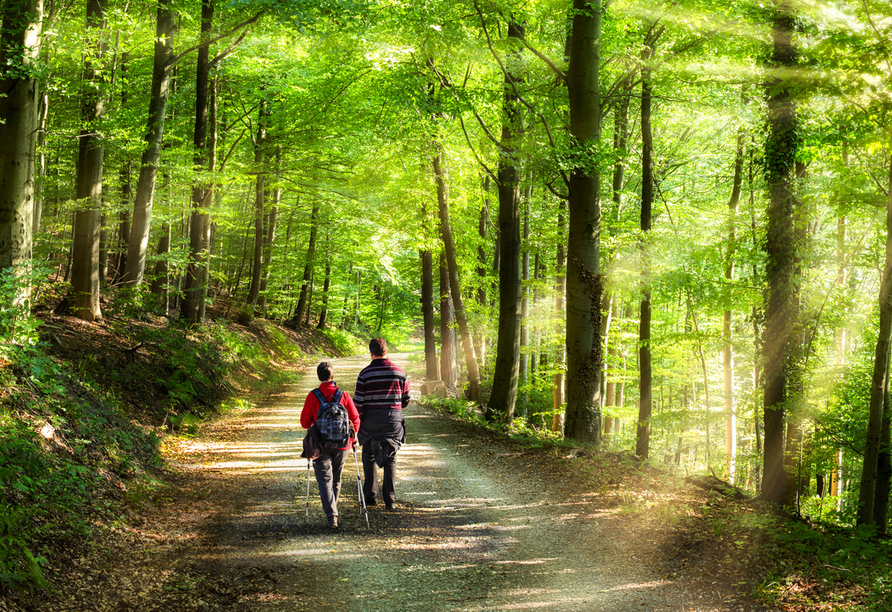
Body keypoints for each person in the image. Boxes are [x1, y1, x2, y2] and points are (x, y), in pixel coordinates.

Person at [301, 361, 360, 528]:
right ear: (332, 376)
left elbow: (305, 423)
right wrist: (352, 437)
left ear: (319, 376)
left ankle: (331, 516)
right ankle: (333, 511)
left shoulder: (313, 396)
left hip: (320, 445)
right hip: (343, 444)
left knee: (324, 479)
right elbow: (355, 418)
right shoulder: (344, 395)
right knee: (336, 478)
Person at [354, 338, 409, 510]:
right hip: (392, 420)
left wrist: (359, 423)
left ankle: (370, 497)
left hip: (371, 421)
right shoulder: (400, 373)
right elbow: (406, 400)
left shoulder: (364, 374)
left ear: (371, 353)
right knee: (391, 458)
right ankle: (390, 500)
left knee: (369, 456)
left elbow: (358, 404)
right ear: (386, 351)